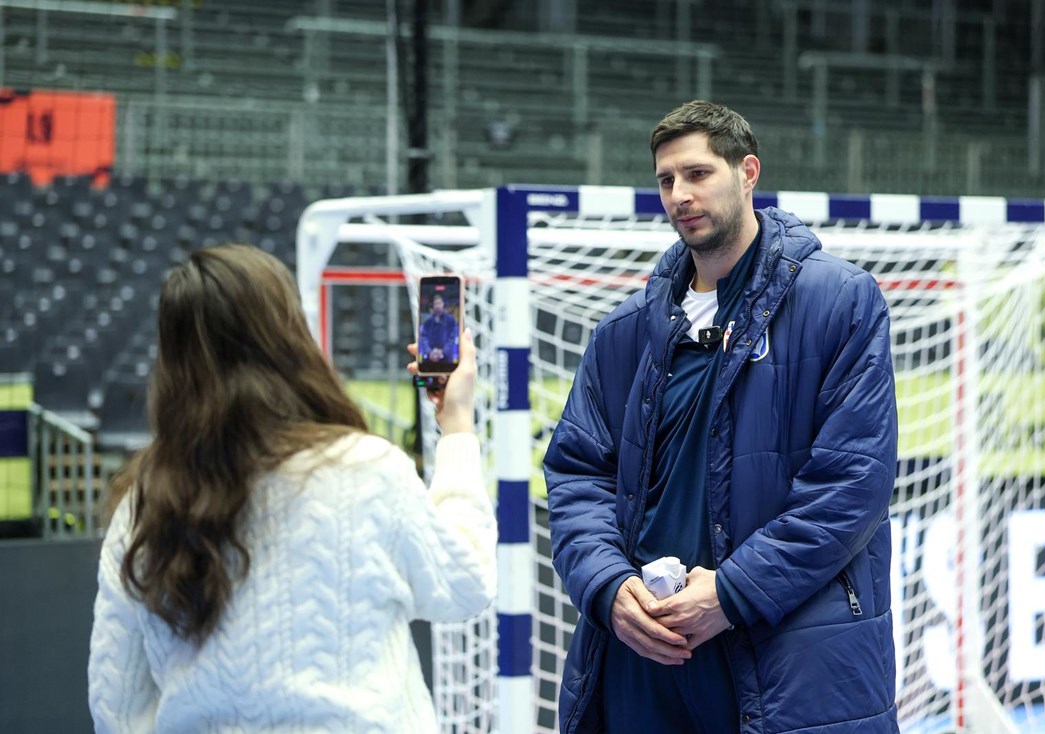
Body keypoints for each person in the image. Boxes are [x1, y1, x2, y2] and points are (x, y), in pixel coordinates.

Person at [544, 100, 899, 733]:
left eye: (699, 173)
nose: (680, 194)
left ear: (748, 172)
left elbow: (853, 484)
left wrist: (732, 593)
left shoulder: (840, 301)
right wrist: (607, 587)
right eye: (666, 180)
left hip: (782, 652)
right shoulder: (623, 332)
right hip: (644, 662)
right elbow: (577, 476)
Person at [88, 244, 495, 732]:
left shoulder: (142, 505)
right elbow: (465, 583)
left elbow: (116, 706)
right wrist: (457, 425)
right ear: (288, 337)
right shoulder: (366, 468)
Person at [419, 292, 460, 364]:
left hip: (446, 358)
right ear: (433, 305)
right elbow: (424, 337)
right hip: (430, 357)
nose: (437, 305)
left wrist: (443, 352)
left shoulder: (450, 320)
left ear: (443, 304)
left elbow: (452, 338)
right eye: (436, 304)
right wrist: (429, 352)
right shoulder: (428, 321)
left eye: (439, 303)